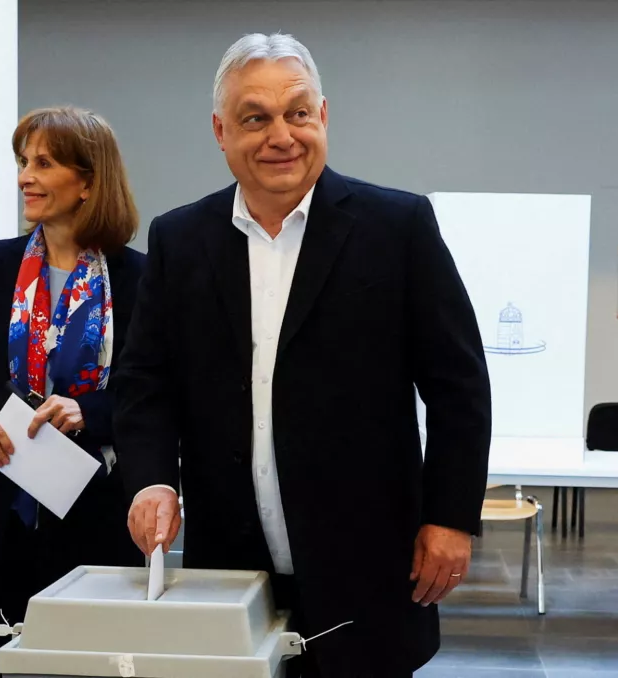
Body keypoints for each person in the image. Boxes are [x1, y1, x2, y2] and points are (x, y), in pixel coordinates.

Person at [113, 33, 491, 678]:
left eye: (297, 112)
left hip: (367, 556)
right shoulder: (180, 239)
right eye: (254, 118)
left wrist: (451, 518)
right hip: (229, 558)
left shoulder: (396, 227)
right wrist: (151, 478)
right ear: (220, 131)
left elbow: (458, 384)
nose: (280, 135)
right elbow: (145, 380)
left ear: (324, 115)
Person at [0, 106, 146, 678]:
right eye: (23, 161)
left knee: (89, 662)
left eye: (43, 163)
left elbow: (149, 392)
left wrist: (86, 409)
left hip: (95, 505)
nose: (25, 175)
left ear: (88, 182)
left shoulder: (138, 278)